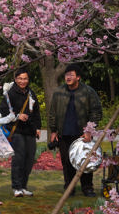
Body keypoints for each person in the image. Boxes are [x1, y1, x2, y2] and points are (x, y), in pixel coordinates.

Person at [47, 63, 103, 197]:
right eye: (66, 75)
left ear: (78, 77)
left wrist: (89, 130)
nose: (68, 77)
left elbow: (96, 112)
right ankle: (69, 187)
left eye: (71, 75)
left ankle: (87, 188)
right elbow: (52, 112)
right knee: (67, 162)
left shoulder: (88, 92)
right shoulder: (59, 92)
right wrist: (53, 131)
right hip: (64, 133)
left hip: (83, 134)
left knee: (85, 160)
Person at [0, 67, 41, 197]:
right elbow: (3, 111)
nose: (23, 81)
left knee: (29, 159)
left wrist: (38, 128)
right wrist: (17, 116)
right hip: (16, 130)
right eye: (20, 78)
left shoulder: (31, 93)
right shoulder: (9, 94)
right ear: (16, 79)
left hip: (30, 130)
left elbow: (37, 112)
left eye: (25, 79)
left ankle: (23, 186)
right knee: (19, 159)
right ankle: (16, 187)